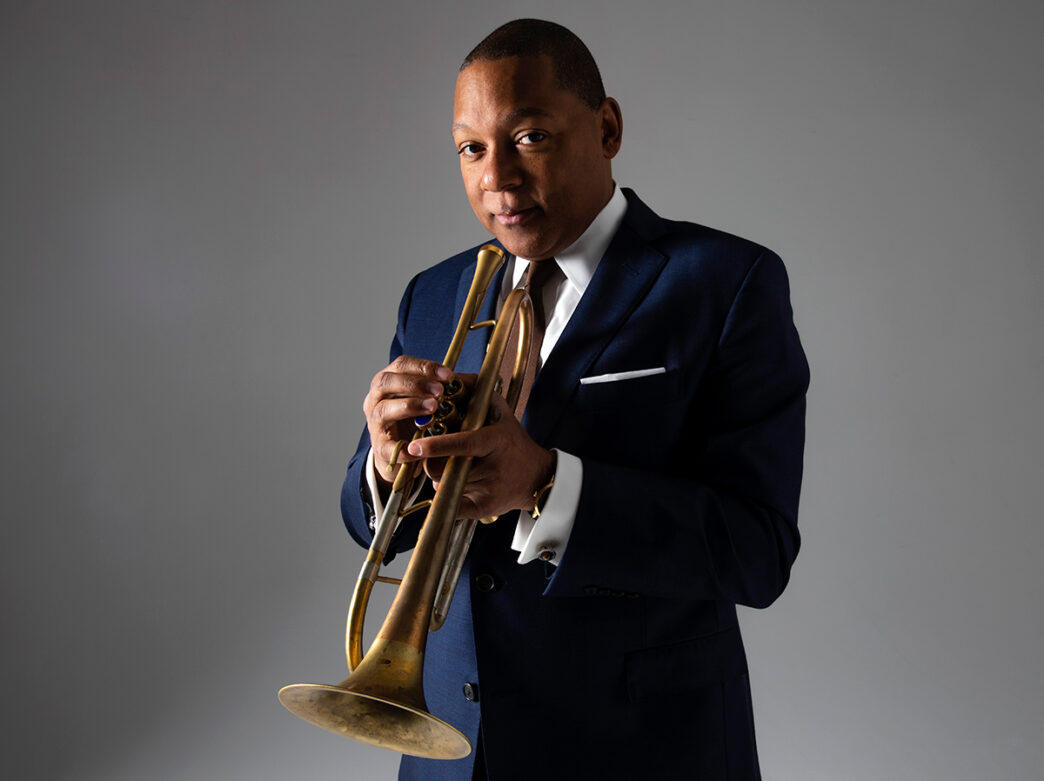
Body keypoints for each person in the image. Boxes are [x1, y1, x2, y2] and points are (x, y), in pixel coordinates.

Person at [341, 18, 809, 781]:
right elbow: (363, 515)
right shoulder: (435, 293)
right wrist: (388, 469)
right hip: (453, 748)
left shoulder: (727, 282)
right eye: (471, 148)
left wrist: (549, 484)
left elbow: (757, 552)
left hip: (642, 746)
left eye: (528, 136)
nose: (497, 176)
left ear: (607, 127)